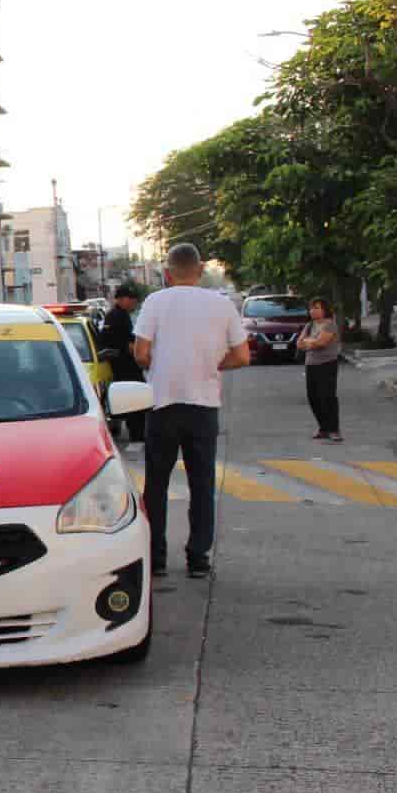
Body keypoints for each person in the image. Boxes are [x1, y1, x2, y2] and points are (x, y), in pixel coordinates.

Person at [132, 244, 250, 579]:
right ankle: (198, 557)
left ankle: (155, 558)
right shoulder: (222, 304)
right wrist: (211, 366)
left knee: (156, 483)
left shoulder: (154, 302)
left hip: (162, 404)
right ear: (199, 270)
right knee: (202, 483)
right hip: (203, 408)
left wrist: (164, 366)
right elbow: (242, 357)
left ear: (167, 273)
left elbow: (141, 353)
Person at [99, 282, 147, 442]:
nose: (134, 304)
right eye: (132, 300)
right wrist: (146, 358)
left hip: (123, 365)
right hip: (124, 366)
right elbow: (127, 344)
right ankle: (138, 434)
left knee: (135, 400)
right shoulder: (117, 316)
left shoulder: (118, 315)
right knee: (137, 399)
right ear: (123, 299)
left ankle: (138, 432)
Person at [297, 298, 342, 441]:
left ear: (324, 309)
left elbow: (321, 343)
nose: (313, 311)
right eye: (311, 308)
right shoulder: (309, 325)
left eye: (316, 307)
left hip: (327, 364)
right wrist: (311, 342)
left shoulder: (330, 325)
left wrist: (310, 342)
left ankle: (334, 429)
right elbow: (299, 344)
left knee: (328, 397)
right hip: (311, 365)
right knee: (313, 397)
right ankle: (323, 428)